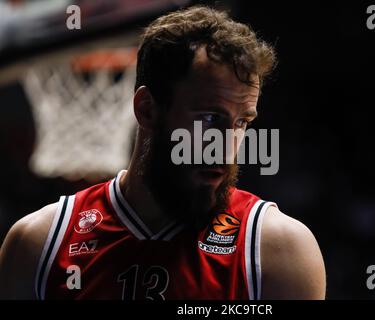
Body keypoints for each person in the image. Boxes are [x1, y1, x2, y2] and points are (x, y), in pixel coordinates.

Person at [0, 5, 326, 300]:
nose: (227, 145)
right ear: (147, 110)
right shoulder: (37, 244)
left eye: (242, 121)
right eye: (210, 118)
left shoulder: (279, 249)